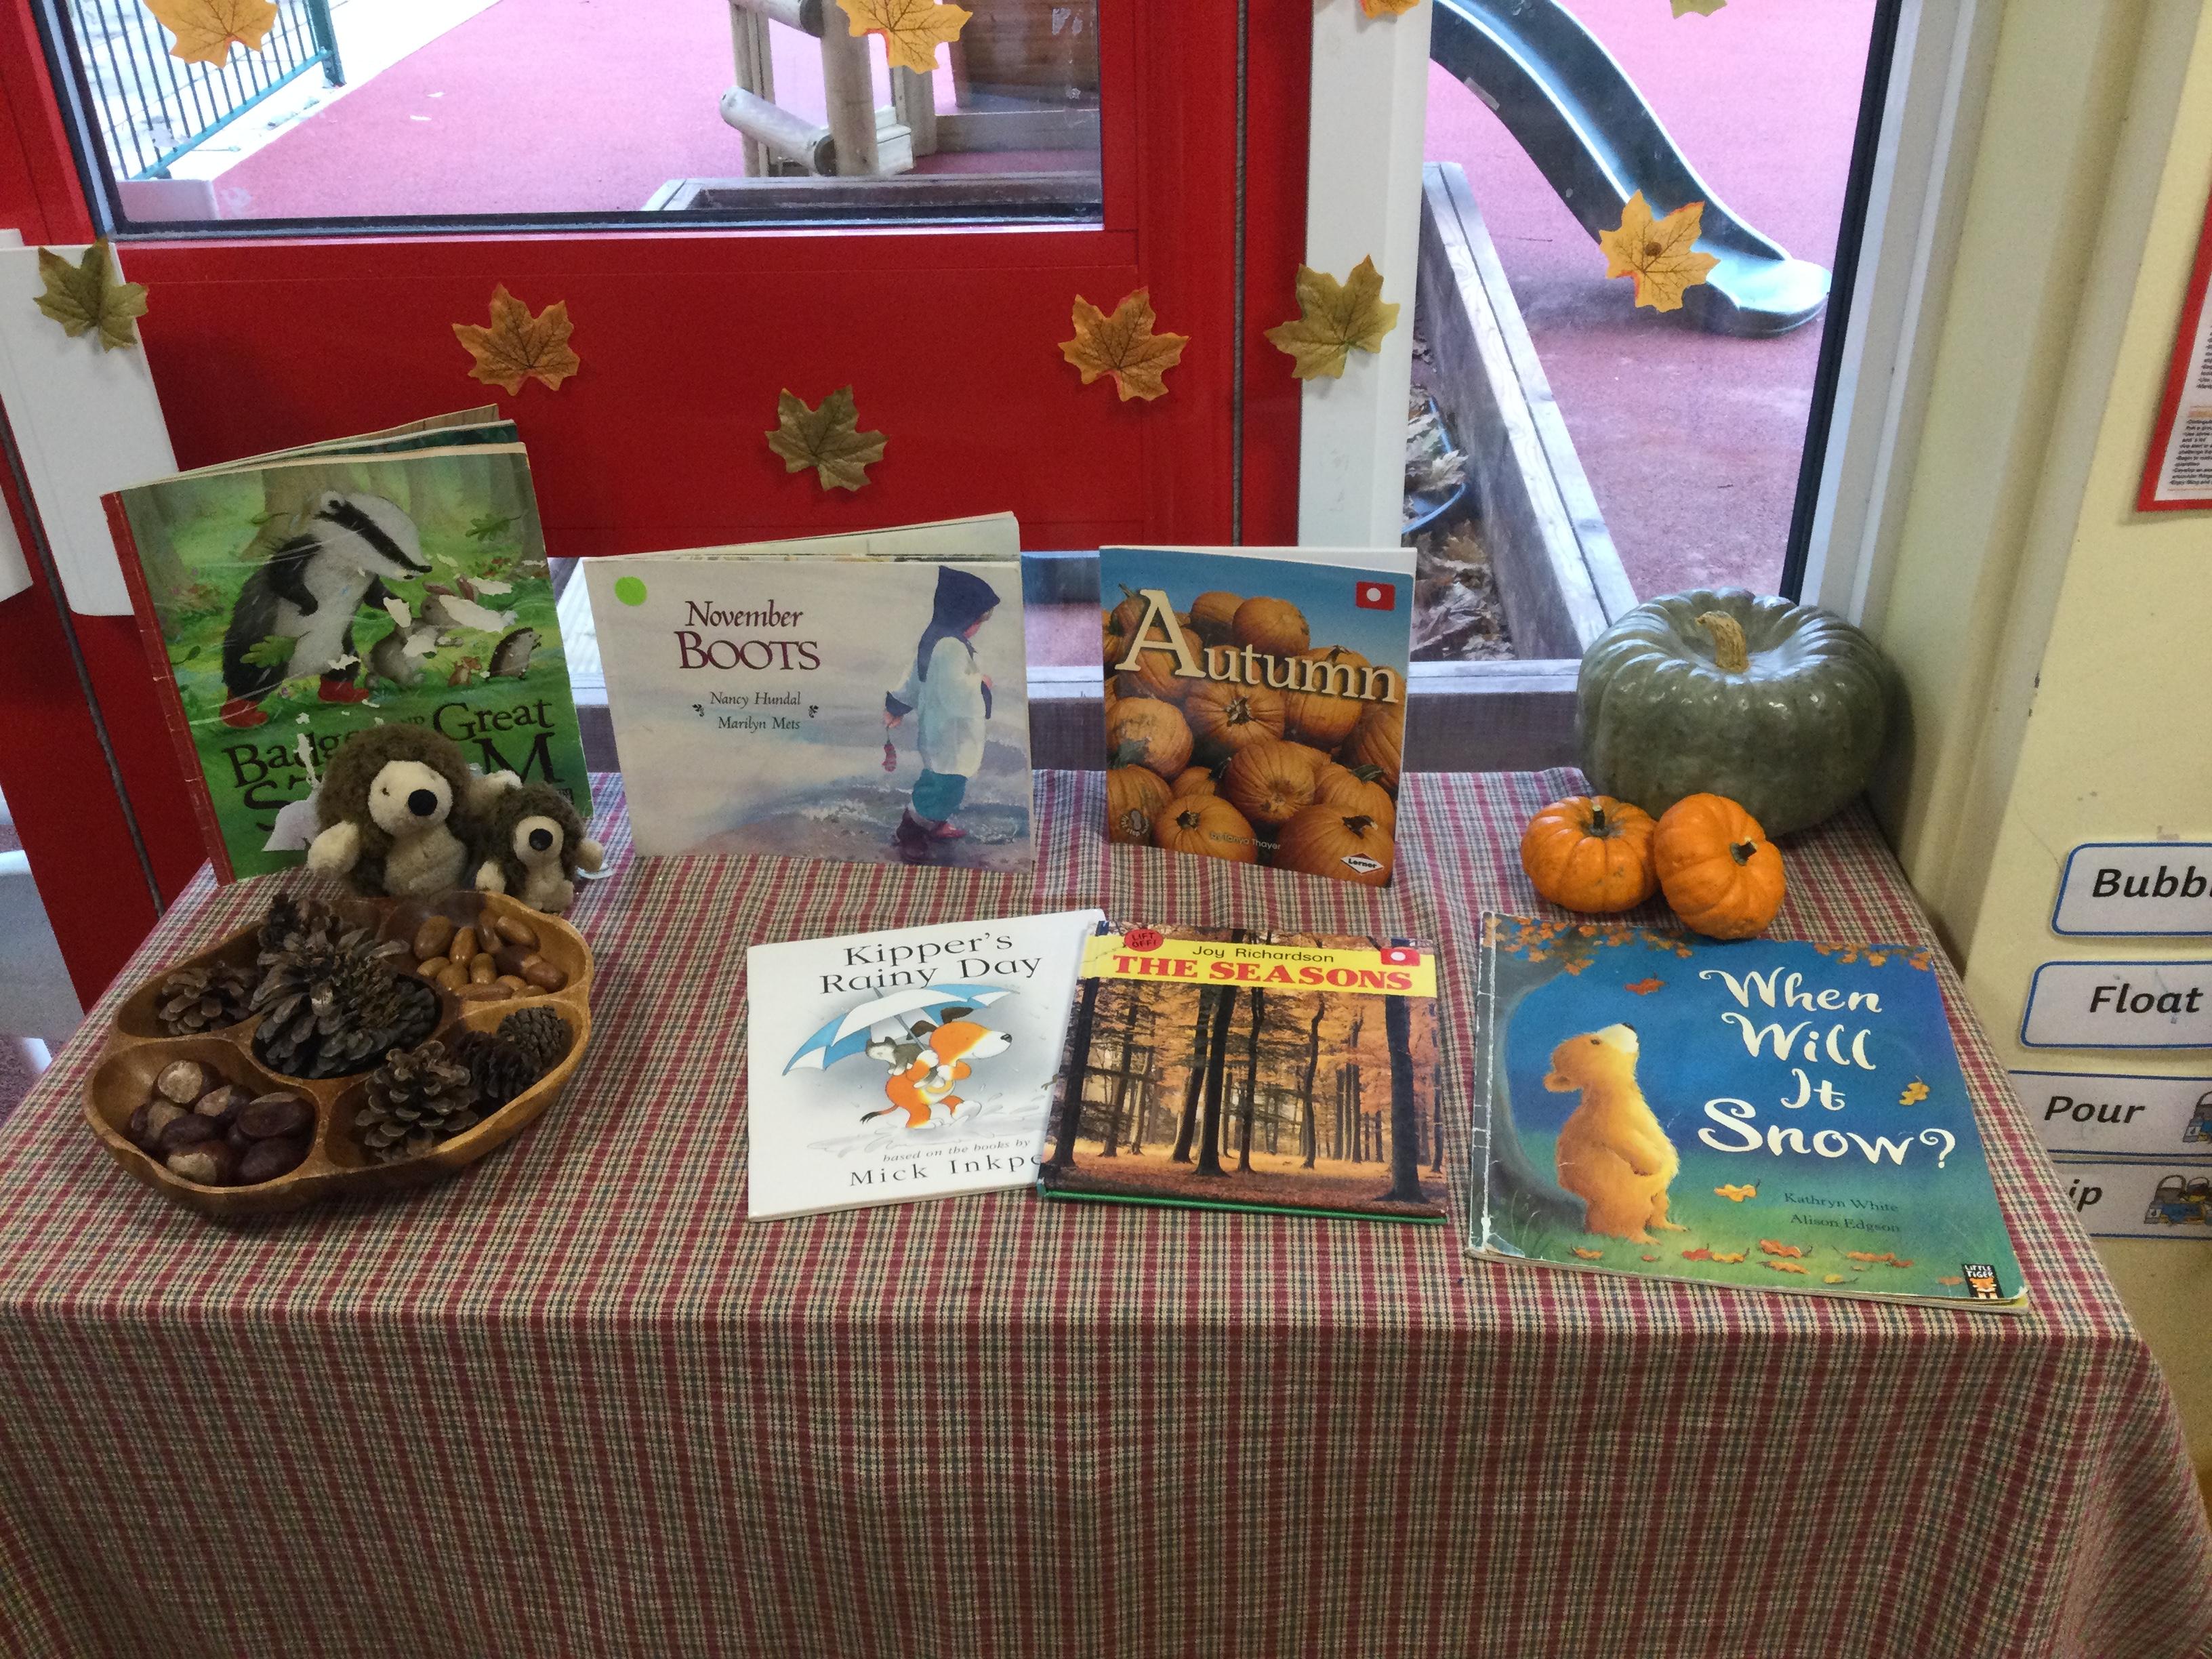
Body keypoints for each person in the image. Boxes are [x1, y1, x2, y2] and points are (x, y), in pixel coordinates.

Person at [885, 566, 1000, 859]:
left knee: (949, 782)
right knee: (941, 785)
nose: (977, 627)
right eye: (977, 621)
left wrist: (896, 706)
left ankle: (935, 823)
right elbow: (955, 689)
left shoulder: (937, 641)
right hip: (949, 733)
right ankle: (910, 829)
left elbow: (913, 680)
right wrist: (981, 685)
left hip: (942, 730)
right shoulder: (949, 647)